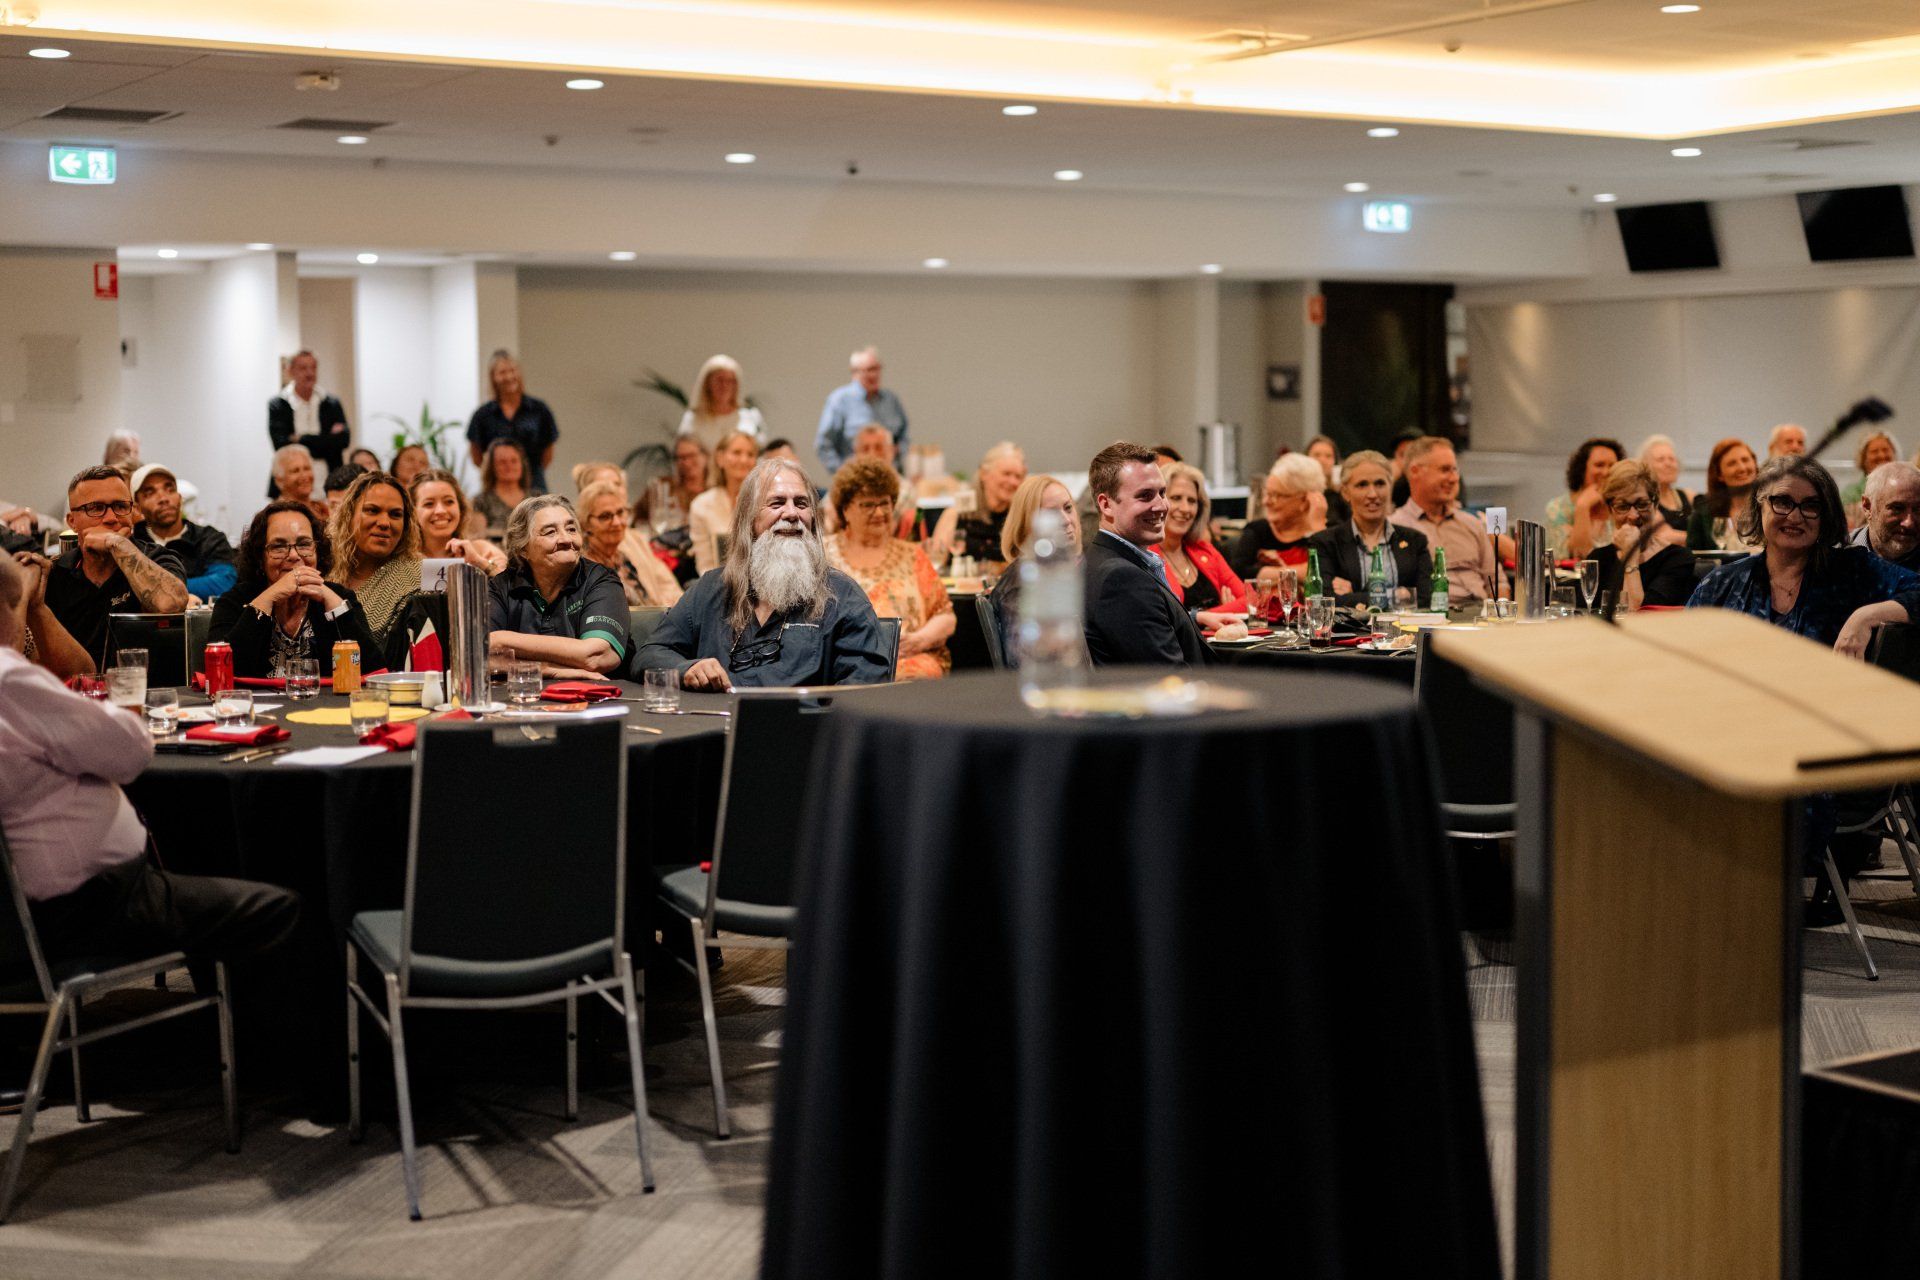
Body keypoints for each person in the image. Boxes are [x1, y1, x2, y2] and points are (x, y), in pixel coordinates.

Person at [0, 554, 300, 1001]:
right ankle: (267, 1061)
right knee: (276, 908)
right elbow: (131, 752)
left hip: (22, 917)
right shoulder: (10, 681)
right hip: (84, 908)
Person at [634, 457, 890, 688]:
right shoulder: (712, 588)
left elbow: (864, 686)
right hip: (714, 731)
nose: (791, 513)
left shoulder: (842, 596)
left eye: (801, 504)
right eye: (777, 503)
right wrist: (686, 669)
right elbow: (650, 654)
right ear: (750, 519)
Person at [1690, 455, 1920, 656]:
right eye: (1782, 502)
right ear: (1760, 505)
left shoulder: (1854, 571)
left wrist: (1866, 616)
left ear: (1826, 514)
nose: (1795, 517)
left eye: (1811, 505)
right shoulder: (1721, 584)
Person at [207, 501, 383, 678]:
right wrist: (268, 598)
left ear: (317, 551)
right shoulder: (234, 601)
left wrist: (335, 605)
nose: (293, 555)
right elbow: (220, 672)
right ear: (260, 557)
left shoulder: (340, 597)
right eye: (278, 546)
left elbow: (373, 671)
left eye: (304, 544)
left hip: (327, 705)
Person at [41, 467, 187, 666]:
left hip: (144, 690)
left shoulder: (157, 558)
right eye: (95, 507)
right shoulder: (55, 572)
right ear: (72, 521)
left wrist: (116, 544)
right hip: (73, 690)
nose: (111, 518)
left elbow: (171, 605)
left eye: (120, 506)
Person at [824, 459, 954, 681]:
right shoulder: (823, 555)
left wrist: (919, 640)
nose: (879, 512)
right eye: (867, 505)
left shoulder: (914, 555)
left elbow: (945, 616)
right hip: (847, 662)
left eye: (885, 503)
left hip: (910, 661)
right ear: (845, 510)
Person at [1083, 442, 1207, 668]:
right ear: (1106, 505)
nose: (1161, 506)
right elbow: (1168, 680)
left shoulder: (1102, 561)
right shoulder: (1122, 580)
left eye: (1162, 493)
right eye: (1145, 496)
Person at [488, 496, 631, 677]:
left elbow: (597, 656)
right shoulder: (501, 587)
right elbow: (477, 656)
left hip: (599, 698)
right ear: (522, 549)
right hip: (521, 700)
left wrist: (503, 639)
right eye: (550, 532)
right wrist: (552, 671)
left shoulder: (600, 579)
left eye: (571, 529)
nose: (565, 539)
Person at [1307, 449, 1434, 609]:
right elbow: (1323, 600)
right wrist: (1399, 595)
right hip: (1352, 632)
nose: (1372, 494)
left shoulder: (1415, 541)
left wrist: (1353, 596)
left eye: (1380, 483)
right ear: (1346, 493)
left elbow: (1427, 598)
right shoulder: (1325, 542)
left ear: (1390, 488)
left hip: (1407, 632)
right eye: (1362, 485)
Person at [1392, 437, 1500, 607]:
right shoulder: (1394, 527)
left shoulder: (1472, 523)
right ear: (1415, 472)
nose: (1453, 478)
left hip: (1481, 619)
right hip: (1430, 620)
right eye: (1444, 470)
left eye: (1455, 470)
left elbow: (1497, 582)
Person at [986, 474, 1083, 663]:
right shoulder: (1022, 582)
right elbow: (1029, 661)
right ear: (1027, 524)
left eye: (1068, 508)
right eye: (1052, 514)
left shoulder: (1065, 571)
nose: (1065, 520)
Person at [326, 470, 422, 643]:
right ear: (349, 515)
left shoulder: (417, 577)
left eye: (395, 514)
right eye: (372, 510)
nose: (384, 523)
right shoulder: (323, 568)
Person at [1588, 461, 1697, 610]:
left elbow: (1640, 618)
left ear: (1656, 505)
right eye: (1622, 506)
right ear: (1610, 510)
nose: (1633, 515)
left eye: (1642, 504)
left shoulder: (1678, 559)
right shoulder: (1598, 559)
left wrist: (1630, 557)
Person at [1156, 462, 1249, 628]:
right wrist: (1223, 611)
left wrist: (1207, 615)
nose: (1185, 509)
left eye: (1192, 501)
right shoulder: (1145, 557)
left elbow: (1250, 600)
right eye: (1176, 498)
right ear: (1158, 501)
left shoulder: (1205, 551)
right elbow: (1163, 618)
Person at [129, 463, 235, 603]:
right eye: (150, 493)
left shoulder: (209, 538)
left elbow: (224, 582)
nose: (163, 498)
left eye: (170, 489)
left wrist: (154, 586)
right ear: (137, 507)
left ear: (179, 497)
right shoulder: (132, 542)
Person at [465, 350, 559, 493]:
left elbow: (548, 453)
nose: (509, 377)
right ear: (493, 377)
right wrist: (500, 473)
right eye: (502, 372)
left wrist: (524, 473)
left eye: (512, 371)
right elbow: (476, 456)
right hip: (496, 488)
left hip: (534, 483)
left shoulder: (539, 410)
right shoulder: (482, 414)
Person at [578, 480, 683, 607]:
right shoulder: (587, 568)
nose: (617, 522)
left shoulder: (622, 556)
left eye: (620, 512)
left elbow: (665, 588)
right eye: (605, 516)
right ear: (586, 523)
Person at [1227, 453, 1323, 581]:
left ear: (1305, 500)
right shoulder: (1258, 530)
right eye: (1267, 493)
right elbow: (1239, 573)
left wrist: (1318, 528)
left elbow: (1328, 573)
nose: (1266, 501)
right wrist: (1302, 572)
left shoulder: (1330, 531)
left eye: (1276, 495)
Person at [815, 345, 909, 474]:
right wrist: (845, 474)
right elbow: (824, 445)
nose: (874, 374)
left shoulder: (891, 399)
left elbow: (904, 436)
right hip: (856, 479)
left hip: (889, 476)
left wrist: (896, 454)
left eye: (876, 368)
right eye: (869, 370)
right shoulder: (839, 400)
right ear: (854, 373)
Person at [931, 442, 1027, 567]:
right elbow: (934, 562)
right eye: (1006, 474)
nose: (1013, 482)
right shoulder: (957, 513)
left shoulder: (1021, 519)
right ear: (983, 474)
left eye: (1018, 476)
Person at [268, 350, 350, 479]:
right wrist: (325, 441)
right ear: (290, 371)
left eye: (313, 368)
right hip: (292, 481)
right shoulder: (279, 404)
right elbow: (281, 445)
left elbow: (343, 441)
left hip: (329, 478)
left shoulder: (331, 403)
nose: (309, 373)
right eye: (303, 368)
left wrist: (300, 439)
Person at [688, 430, 761, 576]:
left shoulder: (766, 501)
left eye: (750, 454)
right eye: (736, 453)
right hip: (718, 584)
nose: (744, 460)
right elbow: (705, 565)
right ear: (720, 458)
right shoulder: (701, 505)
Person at [410, 469, 505, 574]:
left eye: (449, 502)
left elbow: (514, 589)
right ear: (413, 512)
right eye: (429, 504)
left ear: (460, 508)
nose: (440, 511)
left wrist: (479, 562)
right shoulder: (404, 560)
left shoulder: (483, 551)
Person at [1545, 437, 1624, 560]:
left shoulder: (1622, 506)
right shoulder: (1557, 507)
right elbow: (1579, 554)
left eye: (1612, 465)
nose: (1606, 472)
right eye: (1599, 465)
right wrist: (1583, 507)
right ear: (1582, 469)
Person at [678, 354, 765, 450]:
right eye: (720, 380)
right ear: (707, 383)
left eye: (730, 381)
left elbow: (761, 451)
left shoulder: (751, 416)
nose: (725, 386)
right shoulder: (692, 419)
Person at [1686, 437, 1759, 553]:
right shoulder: (1703, 510)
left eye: (1745, 460)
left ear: (1755, 464)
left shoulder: (1771, 504)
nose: (1742, 468)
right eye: (1732, 463)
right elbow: (1693, 556)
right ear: (1719, 474)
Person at [1851, 461, 1920, 574]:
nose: (1909, 523)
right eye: (1897, 508)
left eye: (1918, 510)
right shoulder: (1832, 562)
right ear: (1867, 506)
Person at [636, 434, 708, 542]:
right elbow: (637, 519)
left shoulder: (715, 492)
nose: (687, 462)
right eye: (681, 458)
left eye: (692, 455)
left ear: (705, 456)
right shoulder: (663, 486)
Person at [1638, 434, 1694, 548]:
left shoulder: (1688, 495)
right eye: (1660, 459)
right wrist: (1700, 538)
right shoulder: (1645, 501)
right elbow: (1666, 537)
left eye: (1672, 459)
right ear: (1645, 466)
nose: (1668, 464)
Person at [473, 438, 535, 538]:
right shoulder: (480, 502)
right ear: (491, 467)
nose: (509, 466)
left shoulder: (537, 498)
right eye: (502, 462)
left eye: (514, 461)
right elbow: (478, 539)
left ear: (522, 465)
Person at [1841, 430, 1902, 517]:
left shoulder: (1906, 489)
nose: (1881, 455)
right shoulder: (1850, 495)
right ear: (1863, 459)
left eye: (1885, 450)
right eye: (1874, 451)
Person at [271, 444, 330, 527]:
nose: (304, 476)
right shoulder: (275, 516)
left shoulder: (322, 509)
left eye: (307, 468)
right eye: (295, 471)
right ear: (279, 480)